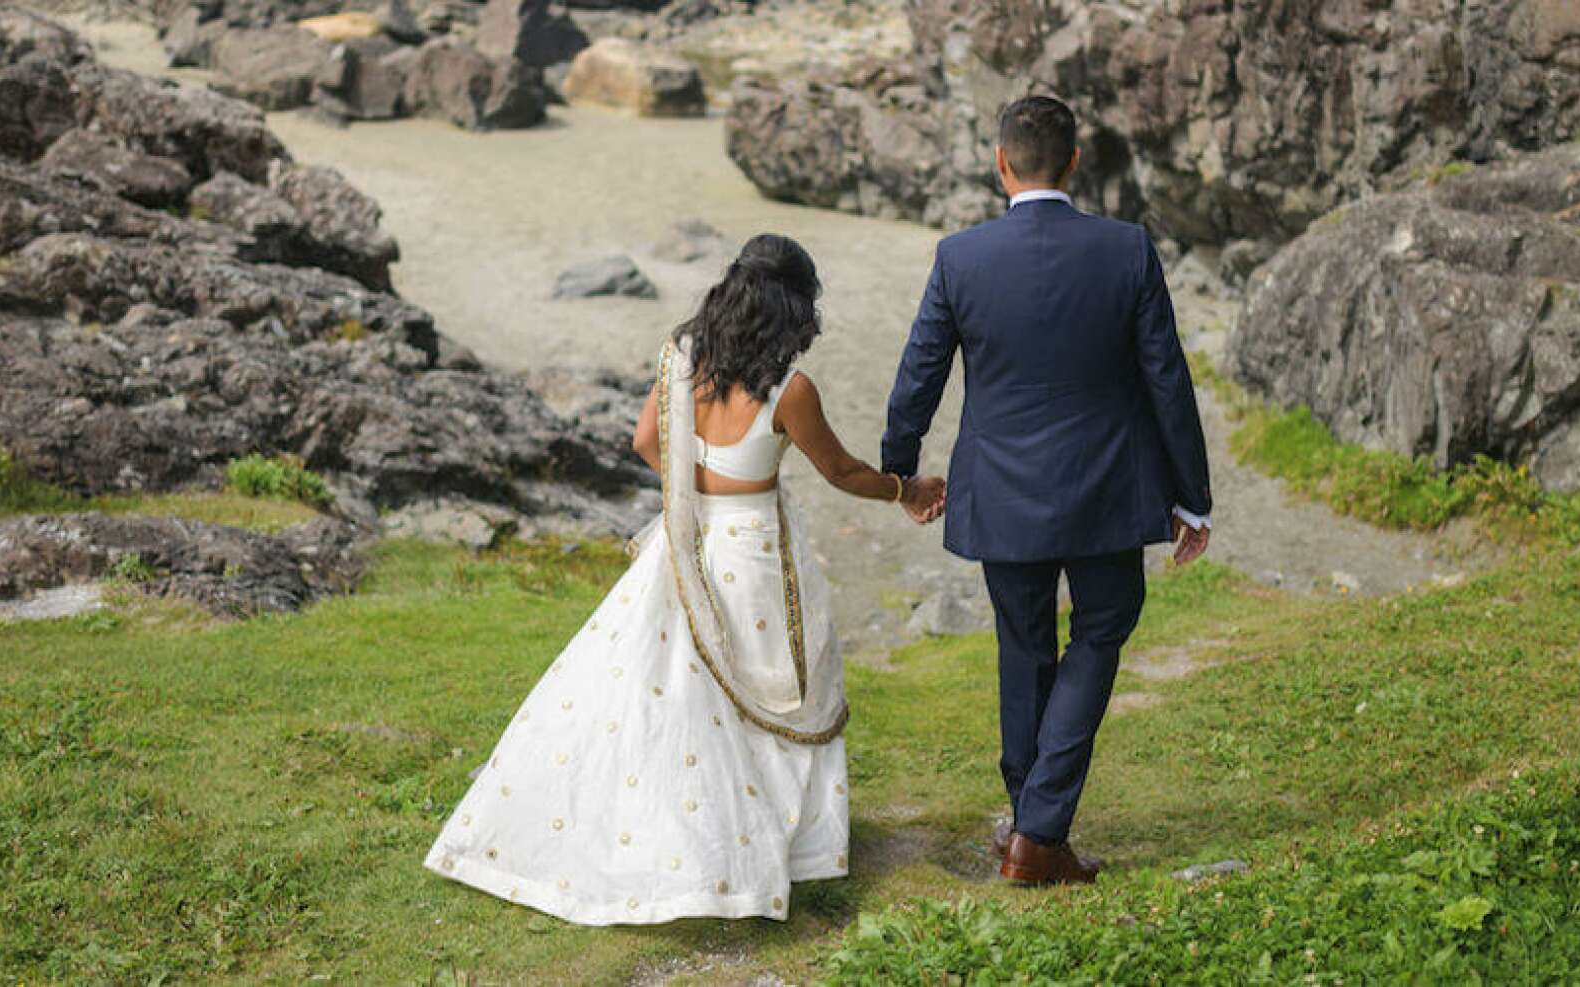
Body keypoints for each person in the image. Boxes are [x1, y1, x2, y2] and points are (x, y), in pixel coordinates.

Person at [424, 234, 946, 924]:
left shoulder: (683, 363)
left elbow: (646, 442)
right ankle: (778, 845)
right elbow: (841, 471)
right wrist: (906, 489)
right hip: (755, 549)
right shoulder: (791, 390)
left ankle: (683, 842)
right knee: (776, 690)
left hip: (688, 540)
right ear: (794, 308)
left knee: (669, 695)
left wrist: (693, 484)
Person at [881, 95, 1214, 886]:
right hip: (1106, 489)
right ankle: (1037, 831)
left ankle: (1028, 819)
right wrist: (1191, 496)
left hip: (1002, 492)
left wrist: (902, 474)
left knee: (1023, 643)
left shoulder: (960, 258)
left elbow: (917, 376)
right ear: (1074, 163)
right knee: (1103, 627)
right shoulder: (1127, 249)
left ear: (1001, 164)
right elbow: (1168, 378)